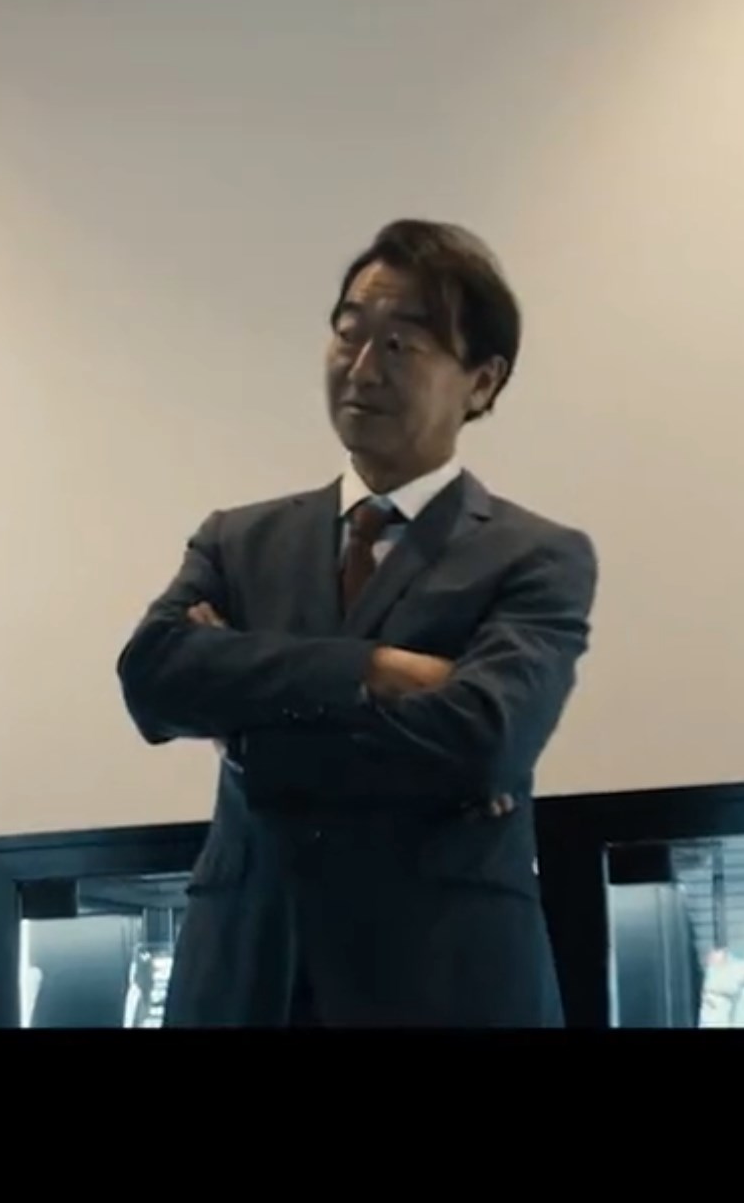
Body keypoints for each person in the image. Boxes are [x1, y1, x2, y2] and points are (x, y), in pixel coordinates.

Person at [115, 219, 599, 1027]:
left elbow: (483, 741)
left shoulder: (536, 556)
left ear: (482, 382)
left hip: (442, 984)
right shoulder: (238, 540)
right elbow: (152, 680)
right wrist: (371, 670)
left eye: (402, 344)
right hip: (245, 977)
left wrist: (248, 729)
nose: (363, 366)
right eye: (349, 333)